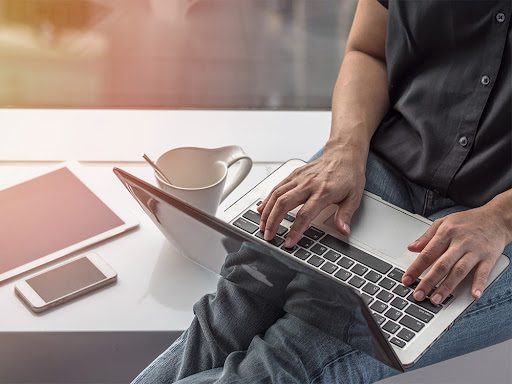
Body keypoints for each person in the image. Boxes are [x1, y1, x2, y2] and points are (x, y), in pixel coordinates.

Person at [132, 0, 511, 382]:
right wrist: (344, 147)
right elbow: (368, 49)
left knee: (295, 359)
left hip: (498, 216)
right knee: (235, 307)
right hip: (384, 159)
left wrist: (501, 216)